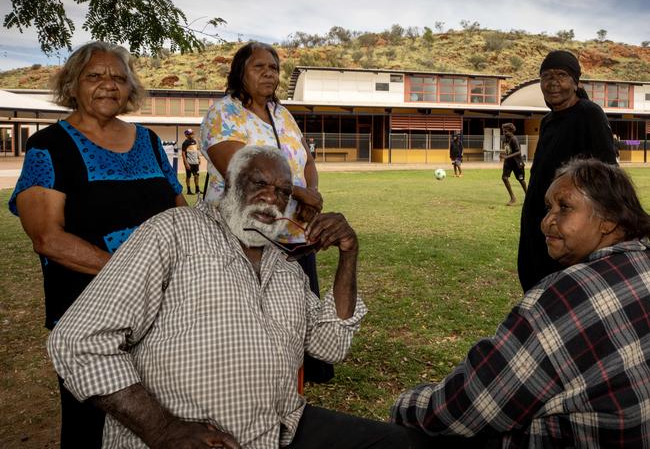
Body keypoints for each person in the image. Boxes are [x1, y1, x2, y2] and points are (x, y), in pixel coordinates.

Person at [47, 146, 428, 449]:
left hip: (282, 428)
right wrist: (162, 429)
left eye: (282, 192)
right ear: (229, 185)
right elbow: (77, 340)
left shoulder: (287, 267)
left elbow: (329, 346)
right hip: (189, 436)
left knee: (396, 441)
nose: (271, 199)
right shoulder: (174, 231)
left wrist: (349, 254)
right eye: (258, 184)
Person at [392, 158, 650, 447]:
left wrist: (404, 406)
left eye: (564, 207)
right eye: (548, 208)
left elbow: (469, 406)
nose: (545, 222)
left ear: (609, 220)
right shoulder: (641, 263)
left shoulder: (569, 295)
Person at [8, 41, 185, 448]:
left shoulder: (150, 141)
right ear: (72, 84)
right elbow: (47, 238)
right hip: (90, 316)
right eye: (95, 76)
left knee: (161, 409)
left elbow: (181, 214)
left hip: (161, 311)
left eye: (119, 77)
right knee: (95, 419)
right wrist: (137, 275)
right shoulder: (48, 146)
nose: (109, 84)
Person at [201, 41, 332, 383]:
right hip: (247, 234)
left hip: (293, 229)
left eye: (273, 67)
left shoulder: (282, 114)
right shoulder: (224, 114)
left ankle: (300, 370)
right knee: (255, 312)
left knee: (296, 303)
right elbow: (239, 170)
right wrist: (298, 191)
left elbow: (306, 158)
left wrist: (312, 193)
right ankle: (254, 374)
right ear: (239, 72)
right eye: (259, 67)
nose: (269, 73)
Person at [518, 50, 616, 292]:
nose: (553, 83)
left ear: (575, 82)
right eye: (546, 76)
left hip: (569, 226)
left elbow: (607, 174)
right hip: (538, 223)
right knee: (535, 286)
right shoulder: (548, 121)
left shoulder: (589, 114)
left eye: (561, 75)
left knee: (564, 295)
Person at [500, 122, 527, 205]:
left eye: (506, 131)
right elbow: (507, 150)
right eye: (503, 131)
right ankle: (513, 198)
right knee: (504, 177)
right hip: (508, 162)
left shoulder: (514, 139)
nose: (504, 133)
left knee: (521, 180)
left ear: (511, 131)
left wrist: (507, 157)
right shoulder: (504, 139)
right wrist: (503, 155)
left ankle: (528, 197)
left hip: (517, 162)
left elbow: (519, 152)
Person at [181, 128, 201, 194]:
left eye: (192, 133)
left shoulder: (194, 141)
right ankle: (189, 191)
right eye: (189, 134)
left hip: (195, 162)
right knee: (188, 176)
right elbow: (183, 153)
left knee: (197, 176)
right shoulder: (185, 143)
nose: (191, 135)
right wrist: (186, 163)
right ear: (186, 135)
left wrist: (199, 158)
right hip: (189, 162)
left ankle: (197, 190)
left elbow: (196, 150)